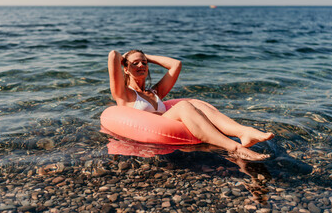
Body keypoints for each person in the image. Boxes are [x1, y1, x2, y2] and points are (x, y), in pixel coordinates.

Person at [107, 49, 274, 161]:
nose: (141, 65)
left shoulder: (155, 92)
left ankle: (244, 132)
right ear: (126, 68)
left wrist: (144, 56)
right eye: (135, 63)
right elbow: (113, 55)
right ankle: (235, 148)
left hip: (171, 125)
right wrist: (127, 58)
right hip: (149, 130)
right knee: (184, 106)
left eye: (144, 63)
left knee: (196, 104)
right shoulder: (124, 94)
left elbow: (176, 65)